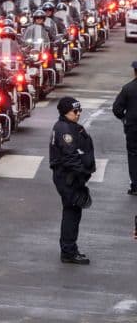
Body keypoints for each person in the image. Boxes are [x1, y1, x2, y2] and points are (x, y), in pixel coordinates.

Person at [49, 97, 95, 264]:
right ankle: (68, 250)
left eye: (79, 110)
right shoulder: (64, 129)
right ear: (65, 112)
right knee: (72, 212)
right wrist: (81, 174)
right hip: (68, 177)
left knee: (73, 211)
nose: (78, 114)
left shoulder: (70, 126)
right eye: (75, 111)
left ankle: (69, 248)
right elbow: (70, 157)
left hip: (71, 177)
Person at [111, 60, 137, 195]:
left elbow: (116, 108)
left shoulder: (128, 88)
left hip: (133, 127)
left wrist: (123, 118)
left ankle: (135, 186)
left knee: (133, 155)